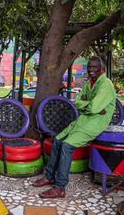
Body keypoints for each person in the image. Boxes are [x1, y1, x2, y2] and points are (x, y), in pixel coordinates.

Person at [32, 56, 117, 198]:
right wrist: (88, 107)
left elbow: (95, 107)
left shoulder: (106, 84)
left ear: (102, 69)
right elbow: (77, 102)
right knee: (58, 140)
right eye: (89, 67)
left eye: (94, 67)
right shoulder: (89, 82)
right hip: (83, 119)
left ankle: (60, 188)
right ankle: (49, 176)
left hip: (95, 123)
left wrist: (90, 106)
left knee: (66, 146)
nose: (91, 70)